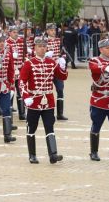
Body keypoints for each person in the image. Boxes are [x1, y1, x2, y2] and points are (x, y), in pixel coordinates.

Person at [20, 36, 68, 164]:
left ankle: (53, 154)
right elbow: (22, 83)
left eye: (44, 46)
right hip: (34, 100)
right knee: (31, 127)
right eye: (40, 46)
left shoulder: (51, 62)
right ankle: (32, 155)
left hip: (48, 101)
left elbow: (62, 77)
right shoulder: (28, 63)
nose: (42, 48)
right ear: (35, 48)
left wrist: (63, 67)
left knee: (49, 127)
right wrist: (26, 97)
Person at [45, 23, 68, 120]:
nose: (53, 32)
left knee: (60, 89)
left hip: (57, 68)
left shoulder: (59, 41)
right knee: (46, 90)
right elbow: (37, 53)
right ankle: (46, 111)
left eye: (54, 30)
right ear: (47, 31)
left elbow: (62, 53)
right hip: (47, 69)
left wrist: (62, 59)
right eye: (51, 30)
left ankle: (59, 113)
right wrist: (46, 55)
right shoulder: (44, 41)